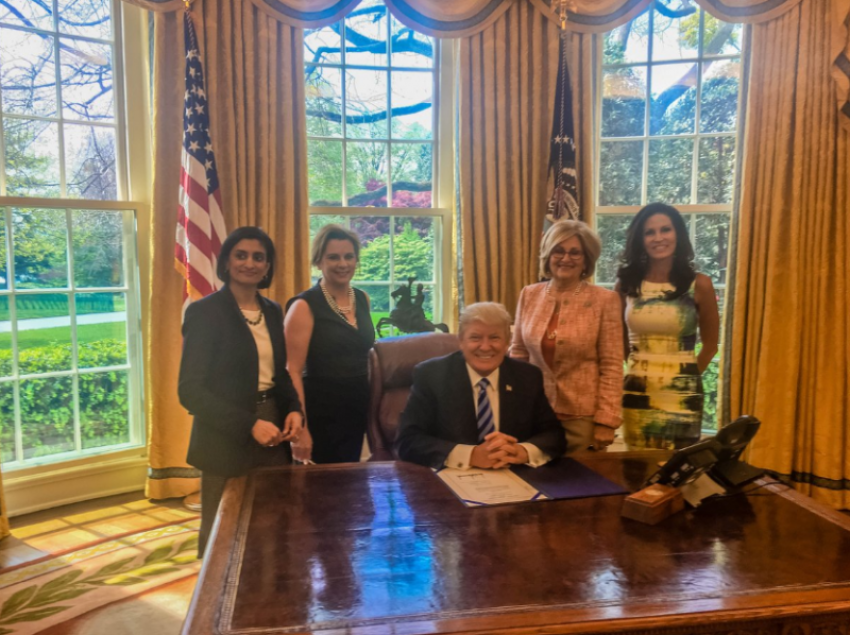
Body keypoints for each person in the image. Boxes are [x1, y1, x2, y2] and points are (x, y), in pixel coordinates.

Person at [178, 226, 303, 557]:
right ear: (227, 262)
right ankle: (216, 605)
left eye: (258, 257)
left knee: (271, 522)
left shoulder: (274, 311)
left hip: (274, 429)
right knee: (223, 530)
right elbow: (190, 390)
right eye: (241, 255)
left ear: (268, 265)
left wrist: (294, 410)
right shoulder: (205, 313)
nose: (250, 263)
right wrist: (249, 424)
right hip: (225, 434)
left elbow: (280, 373)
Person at [396, 302, 566, 469]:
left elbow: (553, 435)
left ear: (507, 342)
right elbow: (408, 440)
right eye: (475, 337)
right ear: (461, 341)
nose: (485, 347)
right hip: (450, 479)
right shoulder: (431, 375)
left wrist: (523, 451)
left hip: (513, 477)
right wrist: (471, 455)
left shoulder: (527, 376)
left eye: (494, 337)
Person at [510, 220, 623, 453]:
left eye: (575, 253)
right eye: (558, 251)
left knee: (577, 483)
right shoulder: (529, 294)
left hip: (581, 418)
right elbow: (518, 355)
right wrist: (515, 405)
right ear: (548, 255)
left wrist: (606, 421)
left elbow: (612, 366)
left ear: (586, 260)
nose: (565, 258)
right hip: (535, 412)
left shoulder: (605, 300)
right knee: (535, 480)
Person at [615, 203, 719, 450]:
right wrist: (639, 371)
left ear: (678, 234)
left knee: (677, 475)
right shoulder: (626, 285)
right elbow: (618, 343)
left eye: (665, 230)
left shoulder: (700, 284)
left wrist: (687, 378)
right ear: (640, 239)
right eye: (649, 232)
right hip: (637, 394)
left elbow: (711, 346)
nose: (658, 238)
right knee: (637, 473)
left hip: (683, 397)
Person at [285, 225, 376, 464]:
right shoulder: (303, 306)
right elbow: (292, 370)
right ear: (318, 262)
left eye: (349, 256)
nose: (342, 264)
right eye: (333, 257)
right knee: (322, 492)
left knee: (355, 489)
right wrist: (301, 428)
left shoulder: (363, 299)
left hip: (359, 410)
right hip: (320, 413)